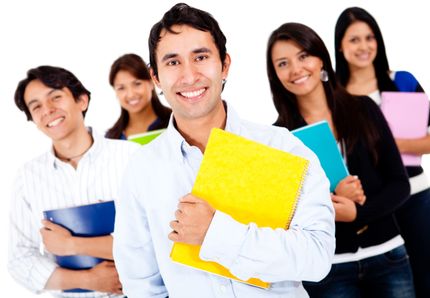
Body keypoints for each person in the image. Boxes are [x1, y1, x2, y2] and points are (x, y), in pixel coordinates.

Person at [113, 3, 335, 298]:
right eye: (173, 62)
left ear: (225, 64)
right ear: (156, 78)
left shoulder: (283, 147)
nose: (189, 76)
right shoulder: (141, 169)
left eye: (200, 57)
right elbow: (142, 285)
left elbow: (317, 259)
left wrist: (215, 234)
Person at [266, 22, 415, 297]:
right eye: (283, 63)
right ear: (275, 74)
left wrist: (358, 212)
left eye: (303, 56)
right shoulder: (279, 137)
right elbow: (281, 217)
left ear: (320, 58)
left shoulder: (363, 109)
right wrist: (331, 200)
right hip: (329, 269)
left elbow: (399, 185)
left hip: (388, 255)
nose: (296, 69)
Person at [334, 7, 430, 297]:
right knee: (391, 285)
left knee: (425, 280)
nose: (363, 46)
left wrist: (389, 144)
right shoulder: (337, 97)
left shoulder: (402, 81)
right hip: (373, 203)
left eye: (369, 37)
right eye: (354, 40)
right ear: (340, 46)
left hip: (416, 196)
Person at [9, 65, 138, 297]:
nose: (47, 110)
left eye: (55, 97)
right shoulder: (27, 177)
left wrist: (71, 245)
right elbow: (20, 259)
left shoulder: (132, 157)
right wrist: (88, 280)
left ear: (82, 101)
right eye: (36, 106)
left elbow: (154, 237)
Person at [105, 53, 171, 139]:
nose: (131, 94)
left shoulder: (175, 123)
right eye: (121, 88)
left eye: (137, 84)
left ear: (151, 82)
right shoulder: (112, 138)